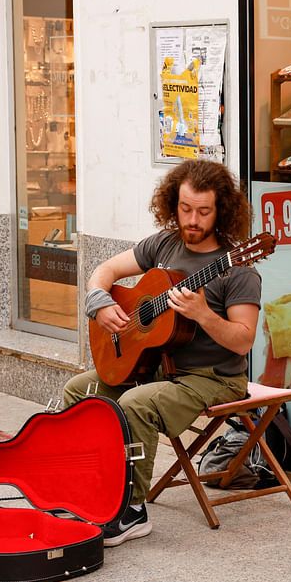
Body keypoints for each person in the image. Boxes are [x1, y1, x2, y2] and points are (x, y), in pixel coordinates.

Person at [64, 160, 262, 545]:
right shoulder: (164, 243)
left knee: (136, 404)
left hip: (212, 378)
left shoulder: (238, 269)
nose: (192, 219)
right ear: (173, 203)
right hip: (157, 367)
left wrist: (204, 315)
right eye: (185, 209)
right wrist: (99, 302)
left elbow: (243, 340)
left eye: (203, 211)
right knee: (78, 391)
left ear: (222, 210)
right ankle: (86, 487)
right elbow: (104, 270)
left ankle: (131, 511)